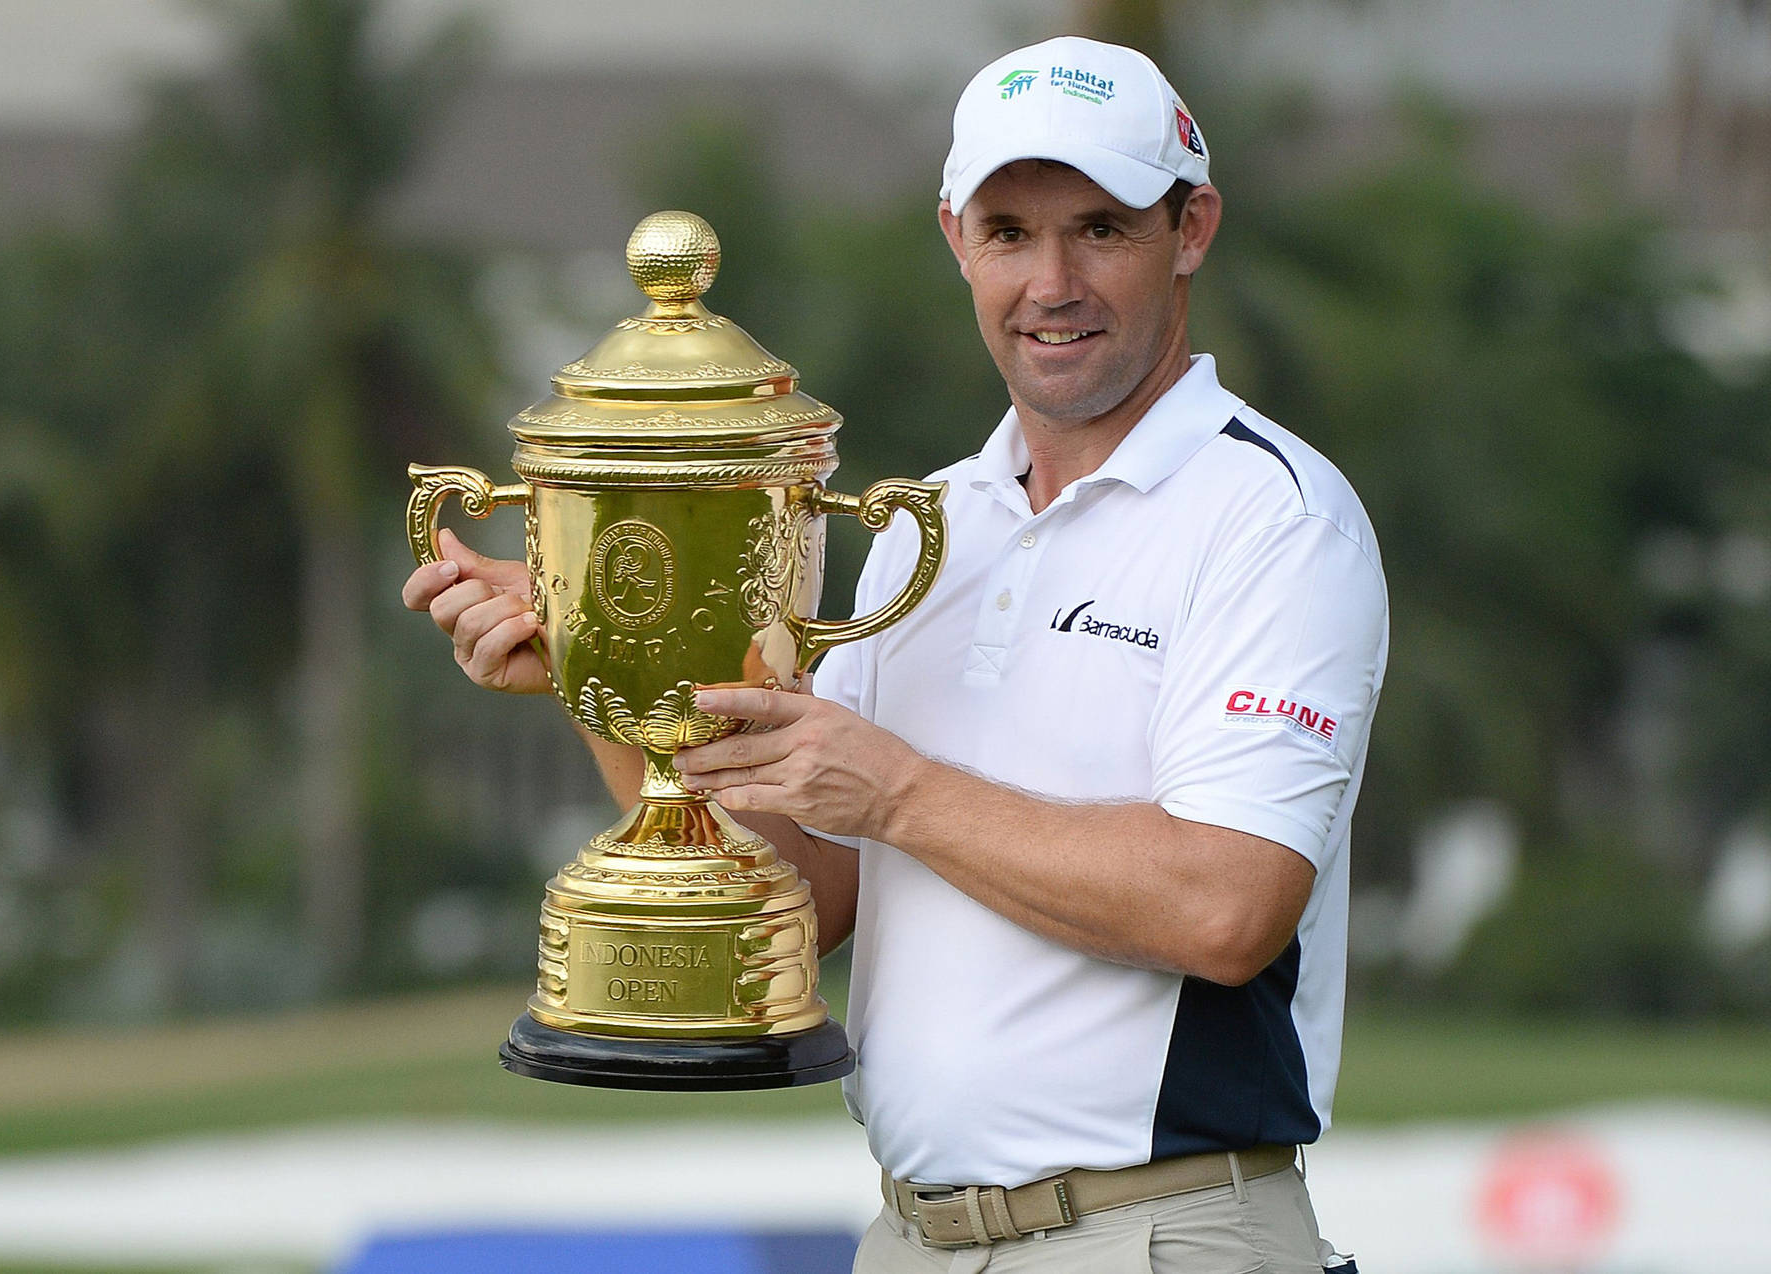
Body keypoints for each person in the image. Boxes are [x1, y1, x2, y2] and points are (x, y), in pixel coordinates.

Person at [405, 34, 1384, 1274]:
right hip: (912, 1236)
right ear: (954, 238)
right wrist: (610, 671)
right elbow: (812, 900)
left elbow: (1227, 905)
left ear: (1191, 229)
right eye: (1010, 231)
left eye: (1102, 227)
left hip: (1161, 1234)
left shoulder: (1275, 516)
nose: (1054, 281)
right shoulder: (936, 519)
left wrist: (899, 790)